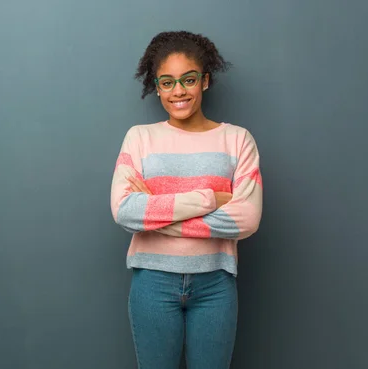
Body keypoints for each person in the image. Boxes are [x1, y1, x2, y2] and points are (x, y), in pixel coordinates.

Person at [110, 31, 263, 369]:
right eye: (167, 82)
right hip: (152, 282)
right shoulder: (140, 138)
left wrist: (159, 214)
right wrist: (210, 198)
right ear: (157, 86)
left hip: (216, 285)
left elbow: (246, 219)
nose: (178, 91)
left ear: (204, 81)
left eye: (188, 79)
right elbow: (124, 211)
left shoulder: (237, 140)